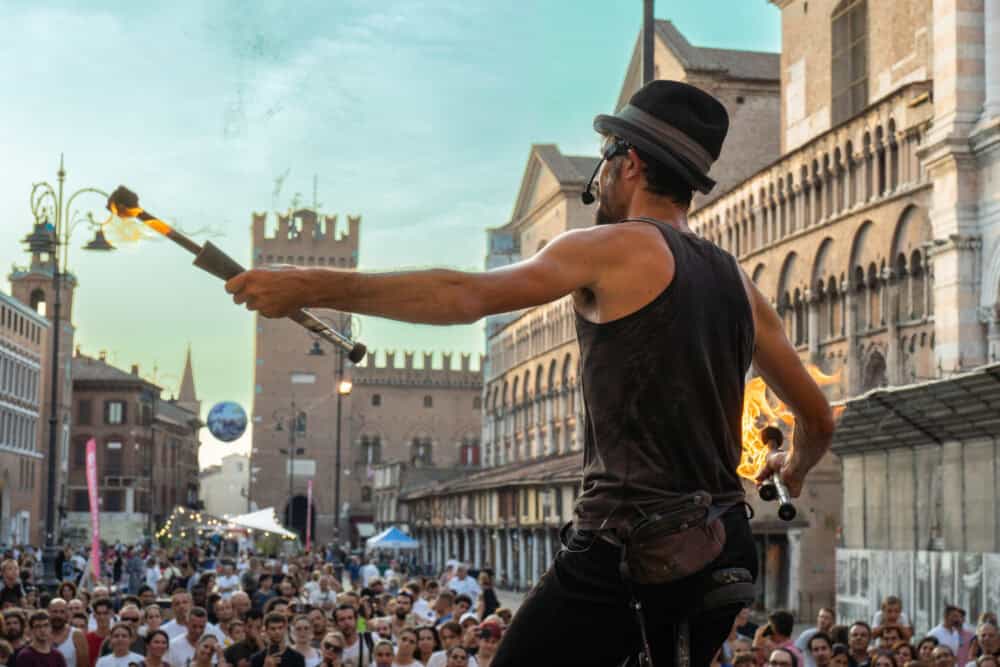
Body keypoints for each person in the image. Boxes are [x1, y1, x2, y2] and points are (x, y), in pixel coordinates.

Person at [221, 78, 836, 667]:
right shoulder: (739, 282)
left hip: (632, 546)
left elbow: (462, 295)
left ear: (630, 164)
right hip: (722, 546)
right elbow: (815, 419)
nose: (599, 180)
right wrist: (793, 467)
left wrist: (309, 284)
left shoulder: (610, 248)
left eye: (604, 160)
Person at [49, 598, 90, 667]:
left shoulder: (77, 635)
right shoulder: (41, 634)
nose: (58, 615)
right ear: (49, 612)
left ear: (67, 614)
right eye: (55, 611)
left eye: (62, 612)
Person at [87, 600, 115, 667]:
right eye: (98, 613)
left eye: (105, 613)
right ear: (94, 615)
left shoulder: (119, 637)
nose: (102, 617)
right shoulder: (86, 638)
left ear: (111, 614)